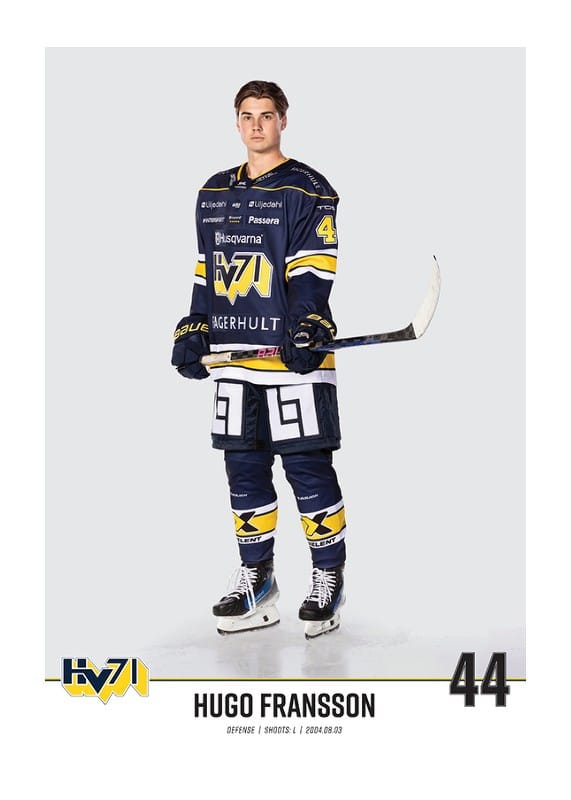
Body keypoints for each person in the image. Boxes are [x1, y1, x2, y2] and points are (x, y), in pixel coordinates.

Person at [172, 80, 347, 639]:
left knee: (308, 470)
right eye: (247, 115)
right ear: (237, 121)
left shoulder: (309, 188)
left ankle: (329, 579)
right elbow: (208, 269)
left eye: (266, 115)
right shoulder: (213, 191)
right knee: (243, 473)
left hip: (294, 359)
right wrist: (195, 327)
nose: (256, 125)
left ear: (283, 121)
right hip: (233, 362)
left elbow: (313, 267)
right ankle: (259, 581)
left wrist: (305, 323)